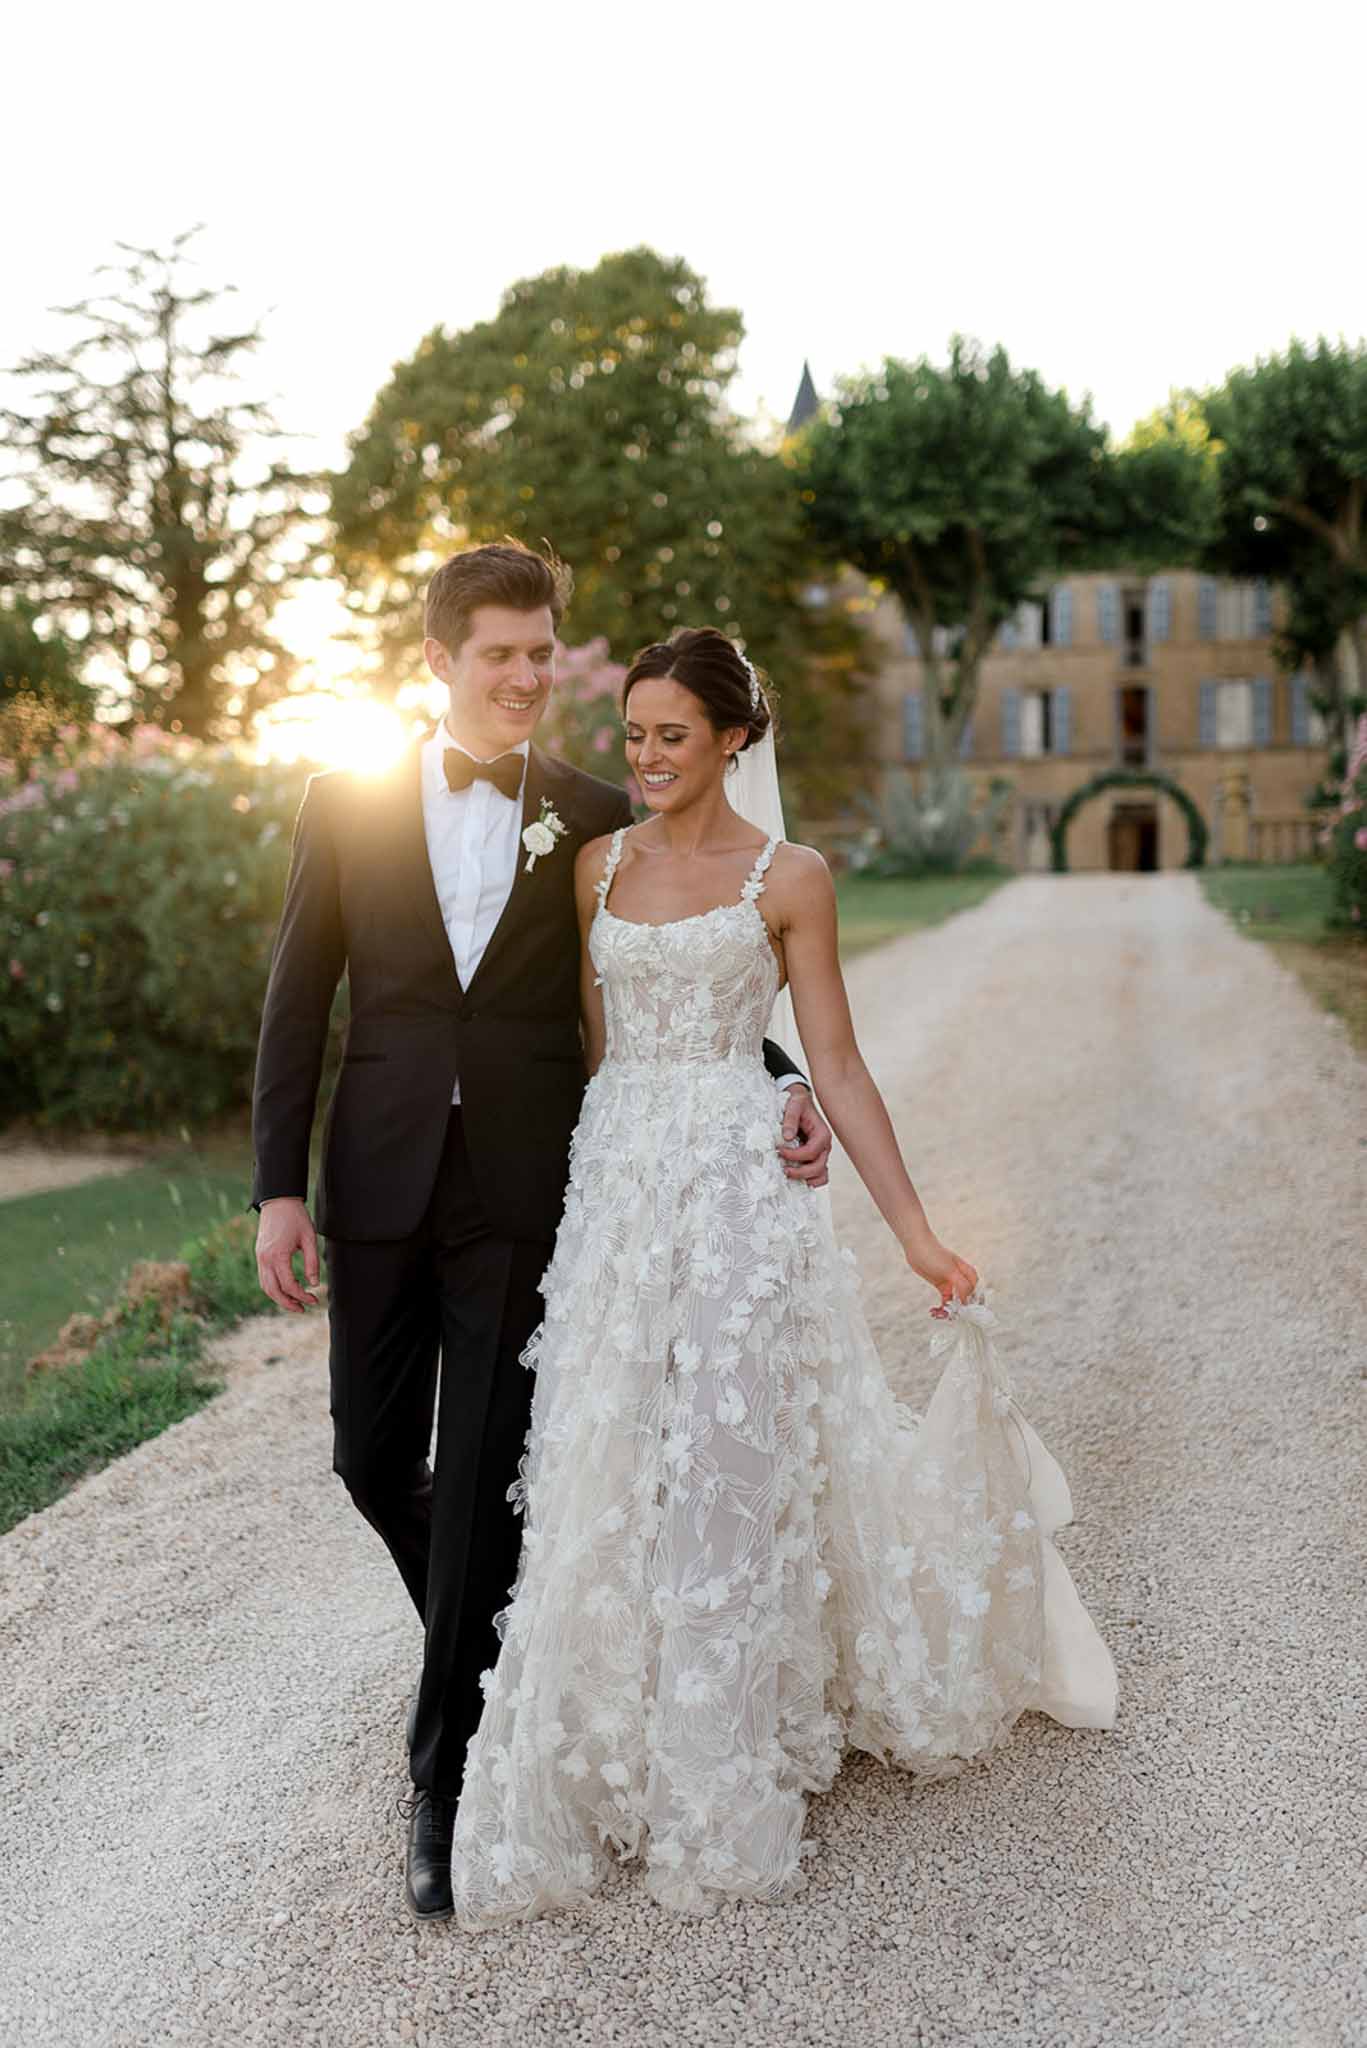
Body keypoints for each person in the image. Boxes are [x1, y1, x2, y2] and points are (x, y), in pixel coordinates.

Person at [445, 626, 1118, 1925]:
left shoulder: (790, 875)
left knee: (727, 1468)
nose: (645, 757)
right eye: (633, 733)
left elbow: (836, 1061)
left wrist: (914, 1231)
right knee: (610, 1463)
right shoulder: (593, 869)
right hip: (623, 1192)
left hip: (749, 1199)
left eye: (672, 736)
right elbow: (601, 1055)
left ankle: (721, 1770)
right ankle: (610, 1752)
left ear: (734, 740)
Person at [249, 546, 832, 1922]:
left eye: (540, 652)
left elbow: (677, 979)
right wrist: (278, 1185)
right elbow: (296, 1001)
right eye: (500, 653)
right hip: (382, 1176)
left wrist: (786, 1083)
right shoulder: (344, 801)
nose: (526, 676)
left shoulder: (588, 815)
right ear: (441, 660)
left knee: (488, 1462)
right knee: (369, 1454)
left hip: (527, 1183)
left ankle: (447, 1769)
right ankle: (499, 1635)